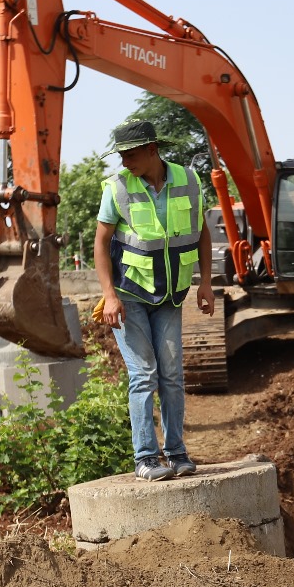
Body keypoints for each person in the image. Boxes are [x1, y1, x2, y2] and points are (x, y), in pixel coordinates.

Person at [93, 118, 214, 482]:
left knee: (172, 375)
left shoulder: (189, 181)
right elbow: (100, 243)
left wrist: (206, 283)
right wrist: (108, 295)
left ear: (151, 150)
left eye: (129, 153)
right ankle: (146, 458)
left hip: (171, 295)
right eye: (121, 155)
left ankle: (176, 453)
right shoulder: (117, 188)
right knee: (144, 374)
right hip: (129, 296)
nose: (124, 161)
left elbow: (201, 233)